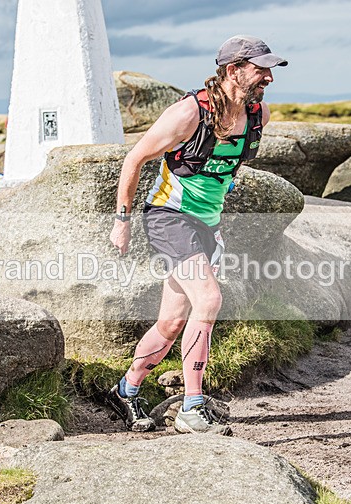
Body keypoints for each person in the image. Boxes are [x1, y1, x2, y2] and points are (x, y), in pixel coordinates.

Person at [107, 36, 287, 434]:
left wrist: (223, 185)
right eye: (261, 70)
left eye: (270, 70)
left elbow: (227, 163)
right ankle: (192, 407)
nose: (269, 78)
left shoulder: (259, 114)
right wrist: (122, 221)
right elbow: (134, 159)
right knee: (209, 299)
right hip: (169, 217)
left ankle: (126, 390)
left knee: (172, 323)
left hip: (208, 224)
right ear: (233, 70)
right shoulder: (189, 113)